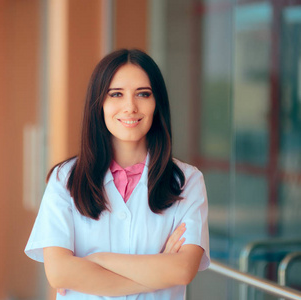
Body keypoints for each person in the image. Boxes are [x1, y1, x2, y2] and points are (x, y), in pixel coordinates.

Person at [25, 49, 210, 299]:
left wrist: (96, 261)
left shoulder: (186, 180)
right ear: (99, 103)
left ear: (157, 103)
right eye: (116, 94)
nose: (130, 107)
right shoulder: (65, 179)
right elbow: (59, 272)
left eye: (143, 94)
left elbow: (183, 270)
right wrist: (157, 272)